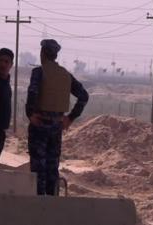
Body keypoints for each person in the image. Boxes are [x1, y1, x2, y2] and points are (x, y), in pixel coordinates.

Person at [26, 39, 89, 195]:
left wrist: (30, 114)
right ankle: (53, 202)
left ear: (42, 53)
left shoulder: (39, 72)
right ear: (55, 55)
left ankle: (40, 204)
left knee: (38, 169)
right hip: (56, 126)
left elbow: (33, 93)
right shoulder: (66, 75)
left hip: (40, 125)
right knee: (52, 168)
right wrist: (70, 118)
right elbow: (84, 96)